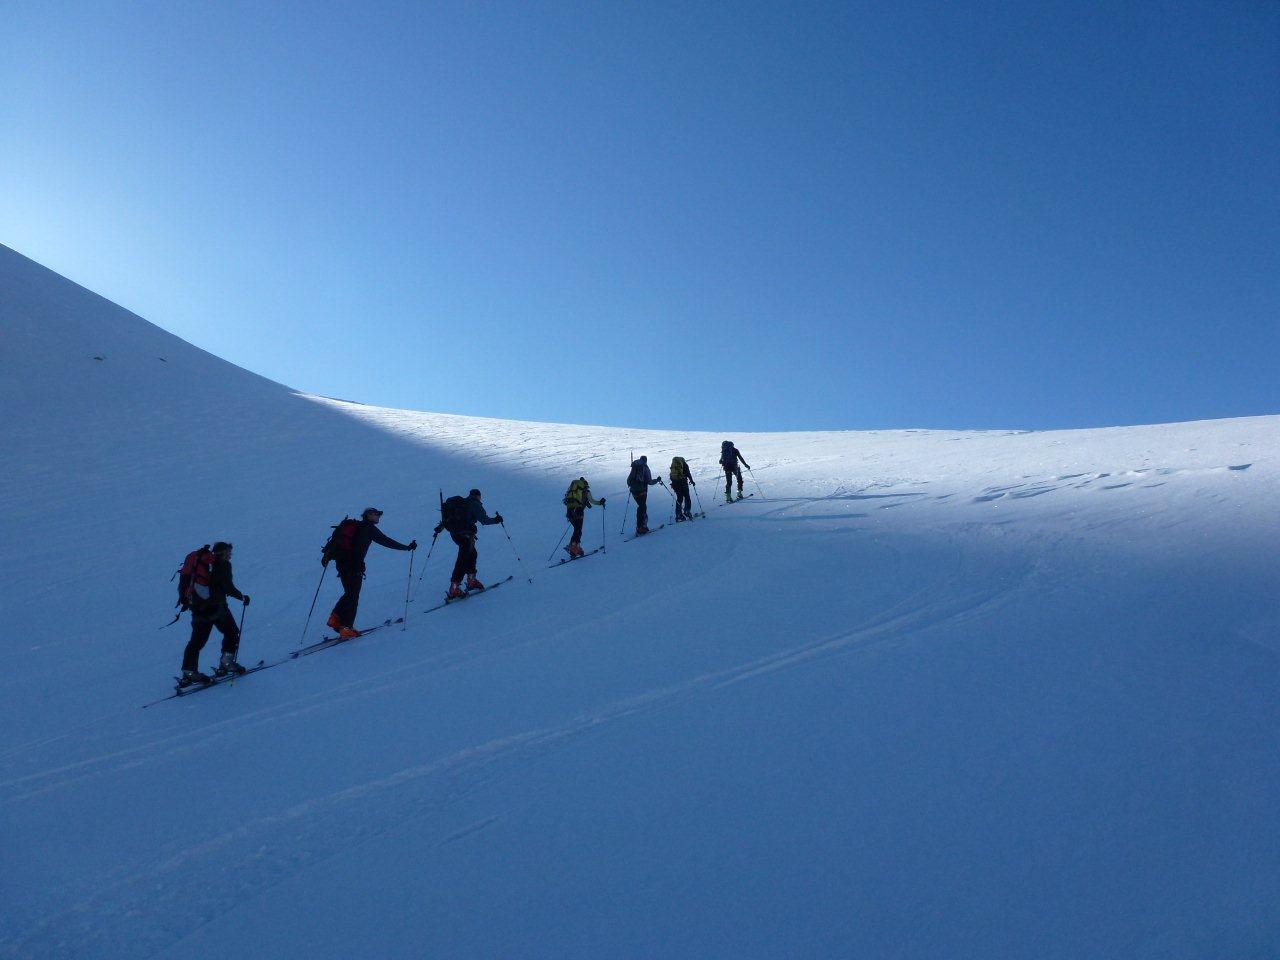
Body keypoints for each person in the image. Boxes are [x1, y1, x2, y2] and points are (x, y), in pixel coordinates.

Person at [323, 507, 417, 637]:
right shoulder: (368, 528)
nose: (379, 517)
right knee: (353, 595)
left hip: (342, 564)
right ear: (369, 515)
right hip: (354, 565)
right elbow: (386, 541)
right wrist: (406, 548)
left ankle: (335, 618)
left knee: (350, 593)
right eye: (377, 514)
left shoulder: (357, 527)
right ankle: (346, 627)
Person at [180, 541, 250, 686]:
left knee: (197, 641)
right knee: (231, 632)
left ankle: (189, 671)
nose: (230, 556)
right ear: (223, 553)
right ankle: (227, 663)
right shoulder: (223, 565)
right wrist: (242, 597)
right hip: (217, 607)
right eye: (229, 553)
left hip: (198, 607)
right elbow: (227, 587)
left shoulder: (202, 565)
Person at [434, 489, 503, 599]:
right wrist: (496, 520)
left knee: (472, 554)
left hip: (455, 534)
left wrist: (440, 527)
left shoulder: (461, 503)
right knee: (463, 558)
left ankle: (471, 580)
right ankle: (454, 587)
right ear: (478, 496)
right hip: (465, 535)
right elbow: (484, 520)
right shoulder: (474, 504)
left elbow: (449, 519)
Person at [563, 477, 605, 557]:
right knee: (578, 530)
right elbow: (592, 501)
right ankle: (574, 547)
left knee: (577, 530)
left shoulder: (572, 492)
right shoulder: (585, 491)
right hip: (579, 512)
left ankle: (574, 548)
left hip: (570, 512)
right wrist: (600, 502)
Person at [626, 455, 662, 535]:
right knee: (642, 508)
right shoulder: (645, 468)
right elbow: (649, 482)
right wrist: (657, 480)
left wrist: (632, 485)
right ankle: (641, 527)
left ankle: (640, 526)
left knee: (641, 507)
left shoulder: (634, 467)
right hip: (642, 491)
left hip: (634, 491)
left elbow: (628, 480)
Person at [669, 456, 696, 521]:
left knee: (679, 498)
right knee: (687, 497)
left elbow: (671, 476)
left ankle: (678, 515)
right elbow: (688, 474)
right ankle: (687, 511)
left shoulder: (673, 466)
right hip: (683, 483)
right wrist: (692, 481)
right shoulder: (684, 465)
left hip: (675, 484)